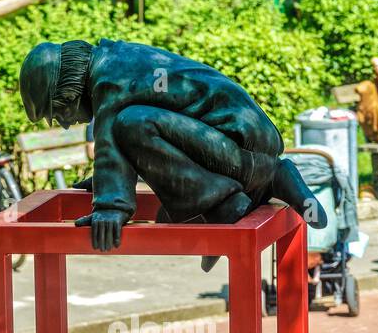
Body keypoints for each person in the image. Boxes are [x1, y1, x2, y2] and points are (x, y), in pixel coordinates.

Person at [19, 38, 326, 268]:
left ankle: (224, 206)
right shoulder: (117, 60)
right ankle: (270, 178)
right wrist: (106, 180)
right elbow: (156, 140)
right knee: (132, 123)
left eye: (58, 113)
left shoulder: (109, 79)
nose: (64, 123)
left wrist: (111, 206)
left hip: (238, 152)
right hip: (248, 151)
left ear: (67, 91)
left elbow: (112, 142)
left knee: (132, 123)